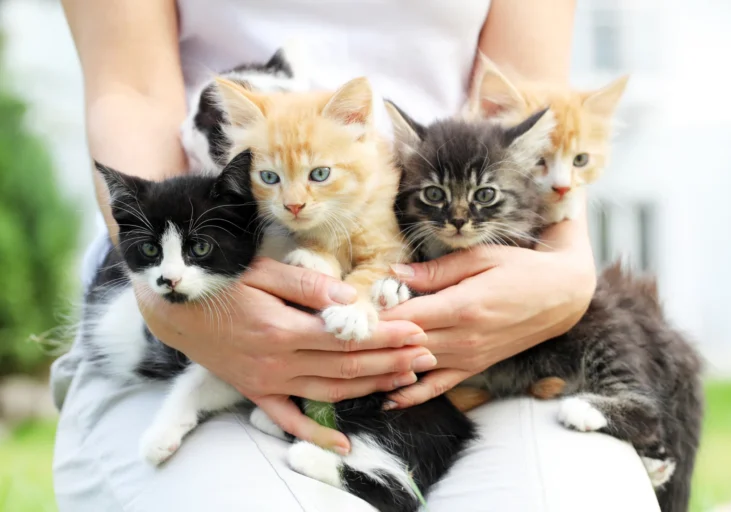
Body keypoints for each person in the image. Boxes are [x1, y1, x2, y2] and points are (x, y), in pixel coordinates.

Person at [52, 1, 660, 510]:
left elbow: (537, 126)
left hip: (473, 338)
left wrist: (563, 279)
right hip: (209, 290)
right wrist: (176, 301)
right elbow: (127, 89)